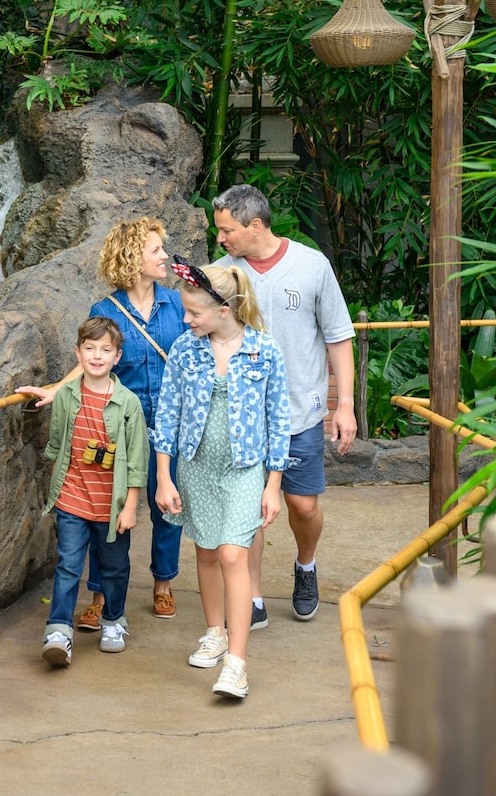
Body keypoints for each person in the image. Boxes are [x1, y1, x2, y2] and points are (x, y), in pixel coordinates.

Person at [17, 219, 188, 627]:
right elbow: (92, 362)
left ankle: (163, 584)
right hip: (118, 426)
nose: (164, 256)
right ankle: (100, 595)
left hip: (167, 423)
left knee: (167, 504)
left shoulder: (178, 304)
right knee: (107, 507)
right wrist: (56, 390)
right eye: (155, 250)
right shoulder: (105, 310)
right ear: (133, 257)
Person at [211, 184, 356, 629]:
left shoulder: (312, 266)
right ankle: (251, 595)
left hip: (300, 414)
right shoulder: (220, 274)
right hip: (241, 415)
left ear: (256, 225)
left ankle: (306, 565)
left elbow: (338, 335)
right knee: (247, 509)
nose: (221, 239)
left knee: (302, 506)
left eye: (227, 230)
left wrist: (344, 405)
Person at [153, 262, 289, 699]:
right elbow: (167, 414)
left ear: (226, 309)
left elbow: (278, 420)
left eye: (194, 312)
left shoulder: (265, 351)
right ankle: (214, 631)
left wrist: (273, 484)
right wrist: (163, 476)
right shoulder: (184, 349)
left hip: (245, 470)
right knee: (208, 552)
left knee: (234, 555)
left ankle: (237, 662)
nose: (187, 320)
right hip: (196, 467)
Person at [37, 317, 149, 667]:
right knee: (68, 564)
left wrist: (130, 507)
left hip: (111, 505)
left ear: (117, 356)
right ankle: (58, 630)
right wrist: (55, 494)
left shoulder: (128, 403)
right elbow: (57, 447)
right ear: (78, 352)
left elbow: (135, 461)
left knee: (114, 567)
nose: (96, 356)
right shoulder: (68, 396)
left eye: (105, 350)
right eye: (89, 349)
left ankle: (114, 620)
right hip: (72, 498)